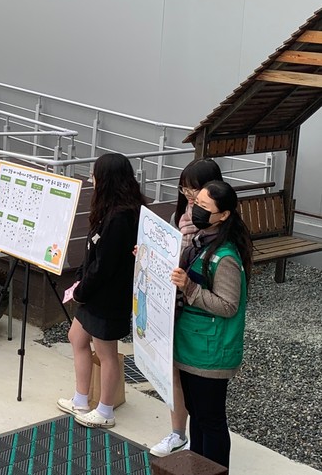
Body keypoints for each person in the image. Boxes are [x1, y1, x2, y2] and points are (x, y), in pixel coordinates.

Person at [57, 153, 145, 428]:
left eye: (94, 174)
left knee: (107, 353)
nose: (91, 179)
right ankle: (81, 398)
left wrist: (81, 290)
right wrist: (81, 281)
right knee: (76, 337)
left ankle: (105, 410)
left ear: (106, 179)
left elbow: (105, 265)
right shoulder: (112, 209)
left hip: (108, 295)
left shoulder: (121, 217)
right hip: (94, 291)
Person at [170, 180, 252, 469]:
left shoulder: (225, 256)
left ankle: (214, 469)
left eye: (205, 207)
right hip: (192, 344)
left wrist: (189, 288)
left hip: (210, 351)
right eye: (196, 203)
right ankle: (198, 467)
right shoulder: (200, 240)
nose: (196, 209)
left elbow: (229, 306)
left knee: (211, 420)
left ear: (224, 215)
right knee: (197, 413)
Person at [150, 157, 223, 457]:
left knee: (203, 398)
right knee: (177, 377)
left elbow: (228, 302)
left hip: (200, 321)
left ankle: (196, 441)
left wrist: (188, 284)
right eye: (185, 189)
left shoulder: (220, 236)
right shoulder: (181, 219)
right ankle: (180, 433)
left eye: (196, 190)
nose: (191, 197)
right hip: (177, 309)